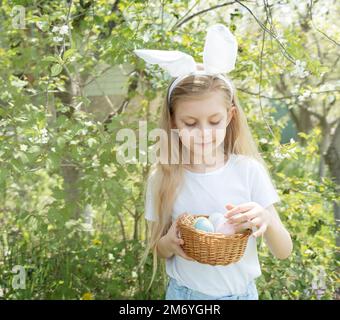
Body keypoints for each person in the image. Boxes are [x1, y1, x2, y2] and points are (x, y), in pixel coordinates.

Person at [135, 24, 293, 300]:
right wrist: (169, 244)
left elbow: (283, 251)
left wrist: (265, 218)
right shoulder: (163, 178)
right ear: (173, 121)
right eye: (191, 123)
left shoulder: (247, 171)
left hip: (242, 294)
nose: (204, 133)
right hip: (185, 295)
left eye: (215, 121)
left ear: (230, 116)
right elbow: (157, 248)